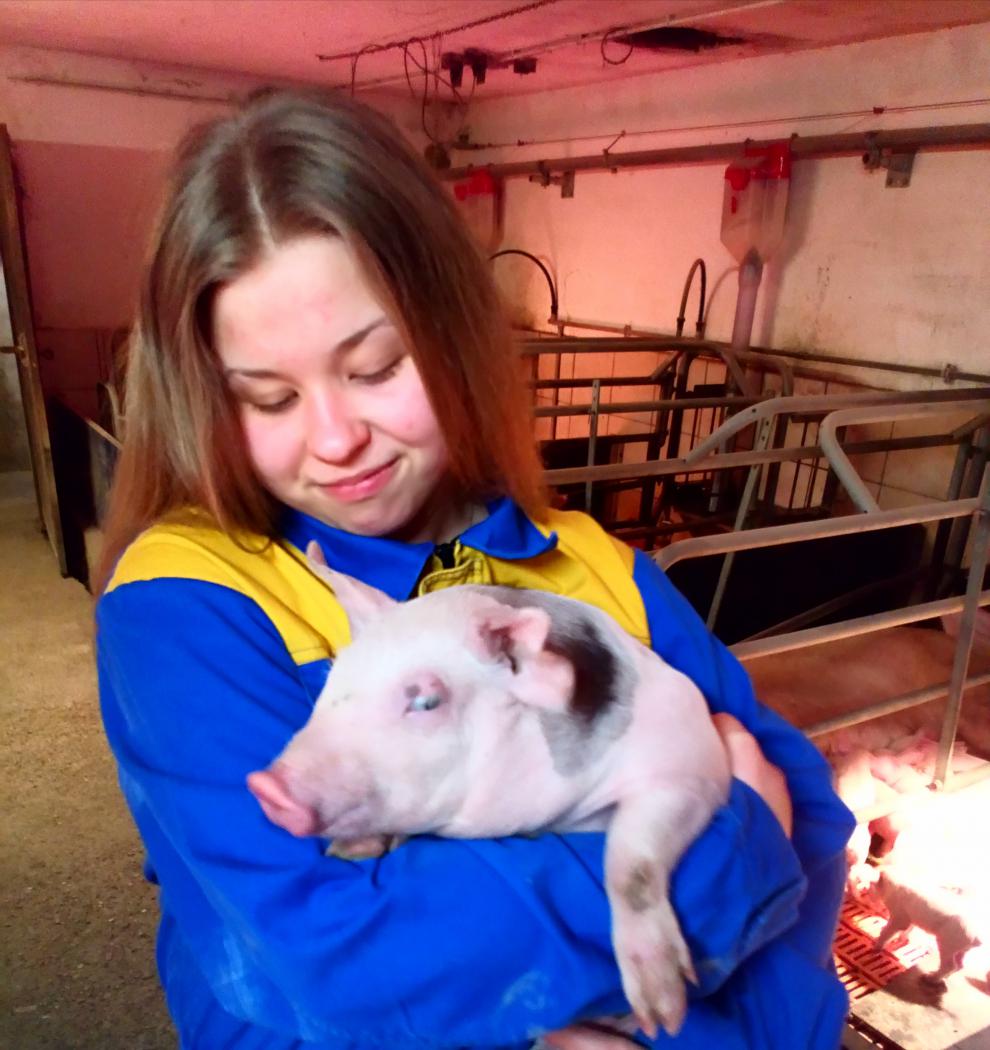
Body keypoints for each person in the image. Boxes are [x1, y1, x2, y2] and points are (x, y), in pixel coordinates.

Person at [94, 89, 854, 1050]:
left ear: (453, 334)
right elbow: (326, 955)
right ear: (208, 397)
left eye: (377, 367)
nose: (335, 438)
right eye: (270, 398)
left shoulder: (595, 567)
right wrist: (729, 858)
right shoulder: (186, 604)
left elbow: (811, 825)